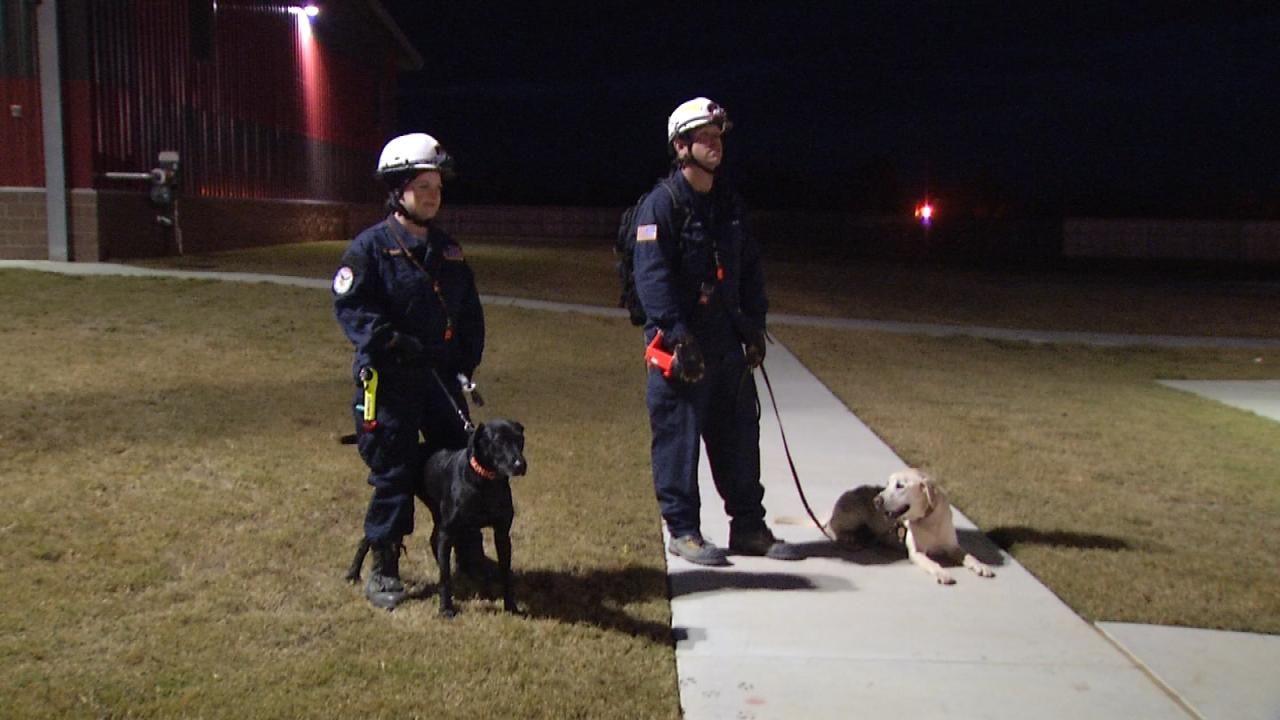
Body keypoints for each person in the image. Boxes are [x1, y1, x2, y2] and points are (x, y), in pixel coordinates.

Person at [632, 97, 801, 566]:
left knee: (740, 439)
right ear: (681, 146)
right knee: (678, 441)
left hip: (727, 348)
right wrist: (677, 336)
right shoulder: (660, 206)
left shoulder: (728, 205)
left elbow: (749, 268)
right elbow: (652, 278)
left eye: (718, 137)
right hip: (681, 350)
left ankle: (748, 527)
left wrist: (754, 326)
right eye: (704, 137)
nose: (715, 145)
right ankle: (683, 531)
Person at [332, 133, 486, 609]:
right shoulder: (369, 249)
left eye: (438, 186)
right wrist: (389, 340)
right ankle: (384, 566)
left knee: (461, 465)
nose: (433, 195)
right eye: (422, 186)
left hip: (438, 381)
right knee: (393, 469)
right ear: (397, 190)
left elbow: (468, 314)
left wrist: (463, 359)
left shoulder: (449, 251)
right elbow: (351, 306)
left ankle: (468, 554)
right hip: (390, 379)